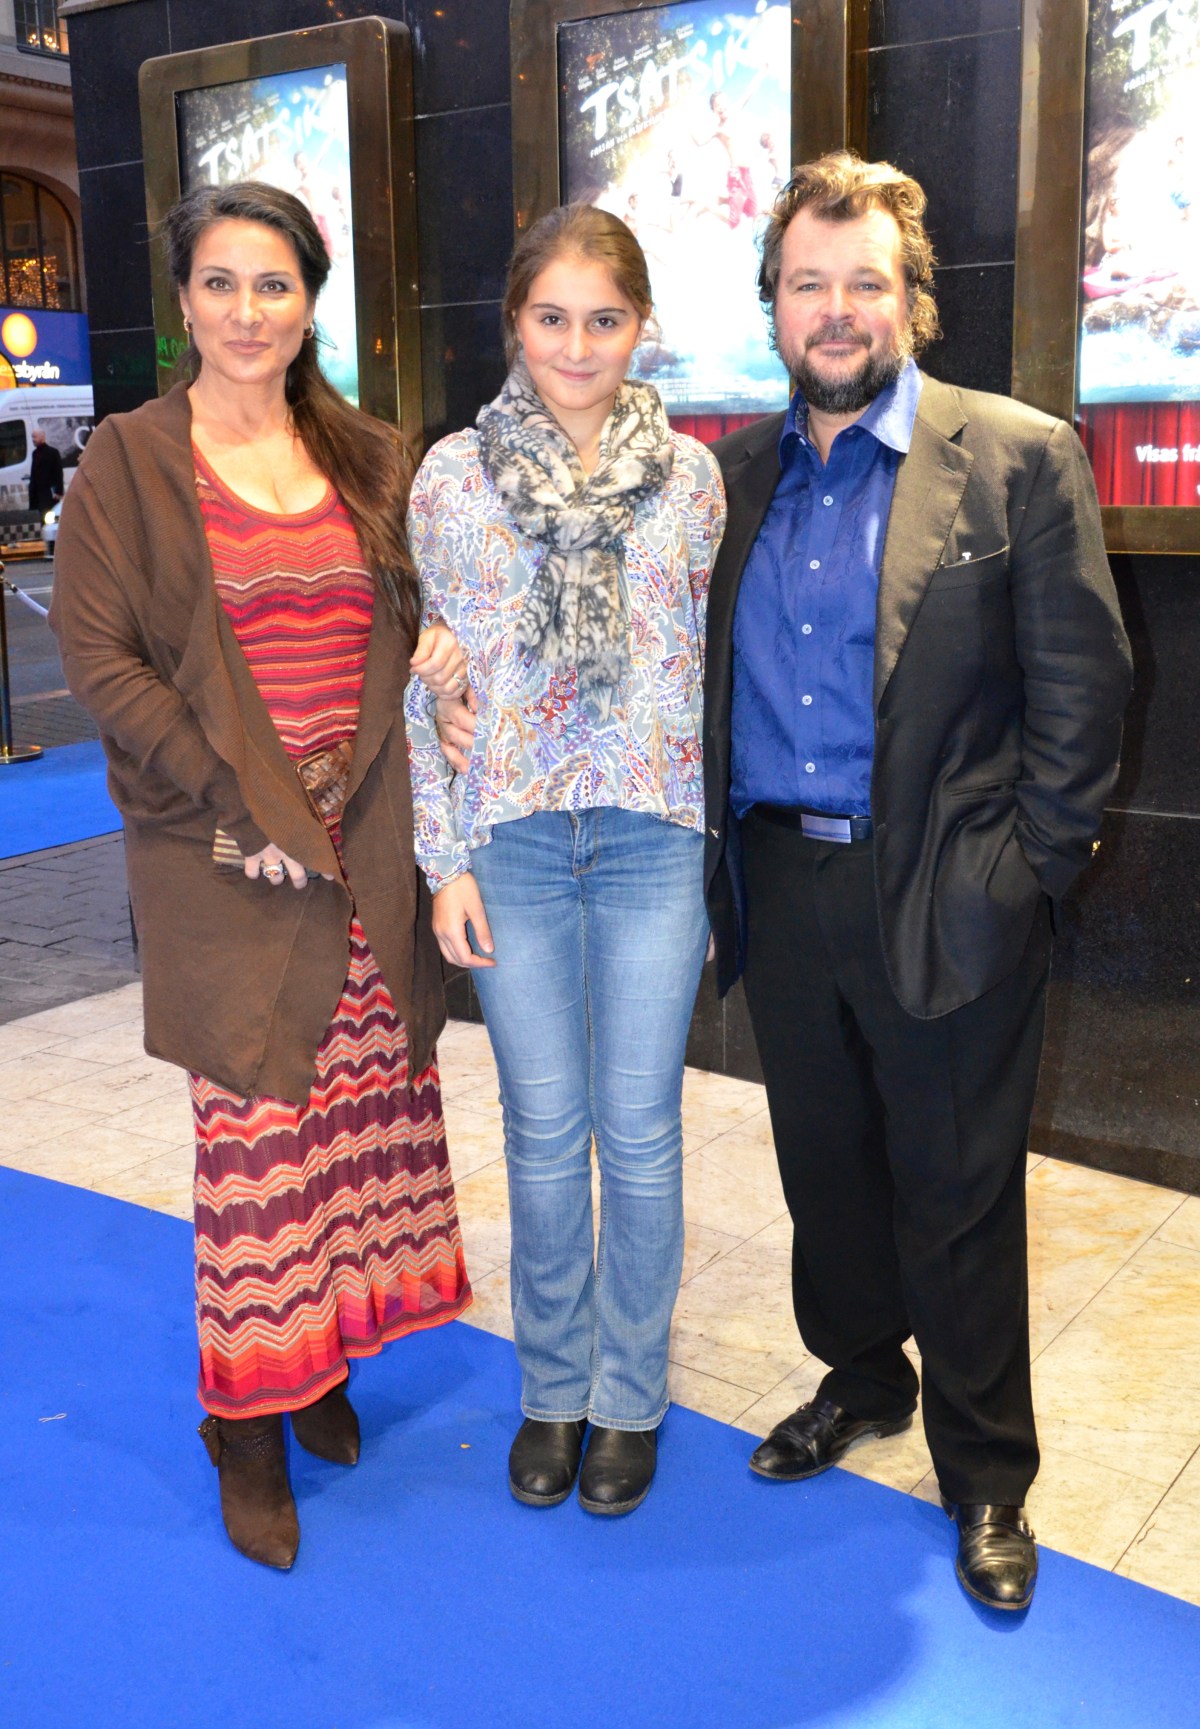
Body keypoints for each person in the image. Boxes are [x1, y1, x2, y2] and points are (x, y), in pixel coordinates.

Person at [703, 152, 1132, 1610]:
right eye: (807, 283)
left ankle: (989, 1473)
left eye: (865, 283)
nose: (836, 309)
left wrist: (1029, 870)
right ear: (774, 304)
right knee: (826, 1172)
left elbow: (1084, 686)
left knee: (957, 1192)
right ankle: (861, 1378)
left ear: (912, 301)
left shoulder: (1015, 455)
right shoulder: (732, 477)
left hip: (951, 887)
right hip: (780, 878)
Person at [50, 181, 473, 1571]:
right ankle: (244, 1419)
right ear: (183, 300)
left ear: (309, 303)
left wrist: (440, 651)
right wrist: (243, 797)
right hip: (226, 852)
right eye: (221, 283)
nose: (247, 311)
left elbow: (413, 622)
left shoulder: (369, 453)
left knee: (355, 1126)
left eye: (274, 284)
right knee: (256, 1148)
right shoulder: (129, 461)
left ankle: (324, 1363)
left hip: (366, 849)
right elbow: (102, 660)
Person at [406, 203, 725, 1517]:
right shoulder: (448, 478)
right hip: (514, 842)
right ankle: (553, 1390)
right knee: (542, 1133)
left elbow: (701, 665)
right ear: (514, 323)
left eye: (605, 318)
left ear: (640, 325)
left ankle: (630, 1398)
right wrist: (443, 860)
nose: (578, 345)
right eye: (553, 317)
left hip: (653, 837)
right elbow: (428, 676)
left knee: (640, 1133)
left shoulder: (694, 479)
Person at [29, 428, 64, 514]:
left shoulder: (53, 452)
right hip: (38, 495)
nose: (33, 439)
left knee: (50, 516)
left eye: (35, 437)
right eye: (32, 437)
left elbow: (58, 473)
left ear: (42, 437)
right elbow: (34, 474)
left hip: (50, 493)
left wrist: (59, 491)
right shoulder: (35, 453)